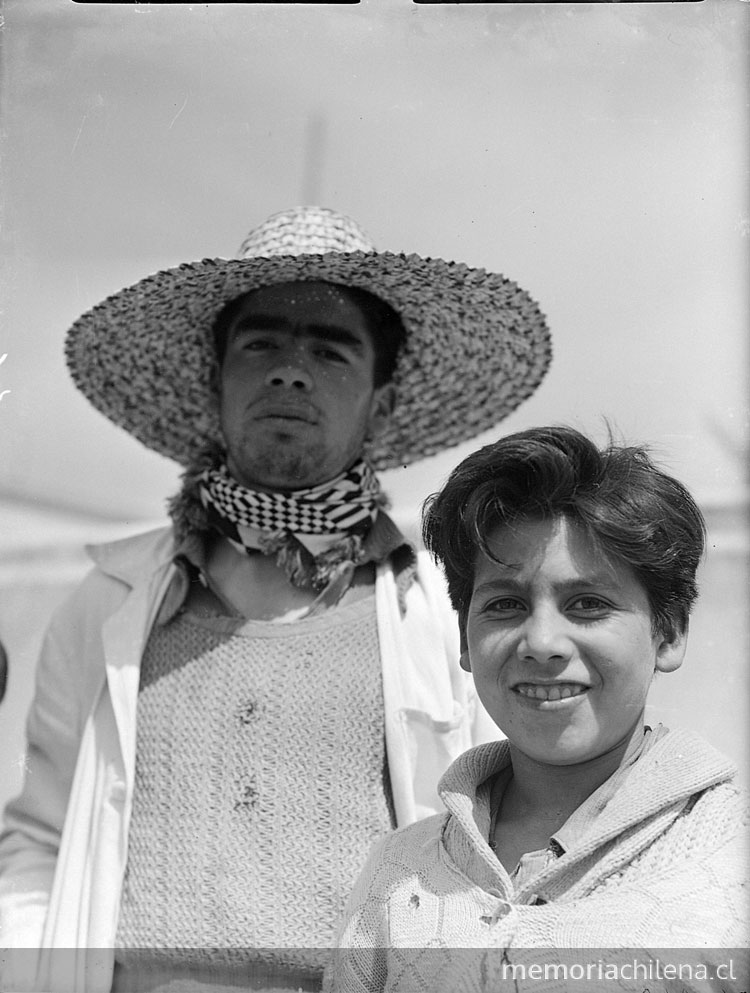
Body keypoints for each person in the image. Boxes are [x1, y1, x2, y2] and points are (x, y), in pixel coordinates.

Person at [0, 207, 552, 993]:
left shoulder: (443, 612)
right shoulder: (110, 603)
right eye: (260, 343)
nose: (289, 371)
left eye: (329, 350)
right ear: (216, 379)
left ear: (381, 405)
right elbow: (39, 840)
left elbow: (509, 842)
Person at [325, 426, 749, 993]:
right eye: (505, 604)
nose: (541, 641)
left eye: (588, 604)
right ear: (464, 640)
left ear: (668, 633)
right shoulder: (398, 875)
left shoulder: (732, 859)